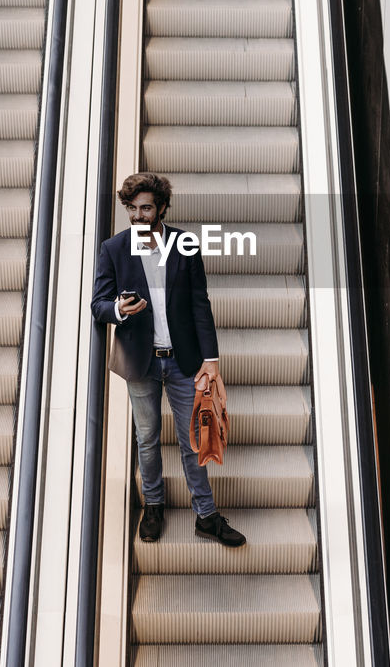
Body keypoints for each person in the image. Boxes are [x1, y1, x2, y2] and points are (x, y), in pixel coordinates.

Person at [91, 172, 246, 547]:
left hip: (182, 361)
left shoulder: (185, 244)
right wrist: (120, 309)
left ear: (161, 207)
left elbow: (199, 305)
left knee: (192, 439)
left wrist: (211, 359)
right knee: (146, 438)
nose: (138, 216)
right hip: (140, 361)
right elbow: (98, 305)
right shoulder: (114, 248)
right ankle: (154, 506)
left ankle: (206, 515)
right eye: (132, 209)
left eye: (145, 208)